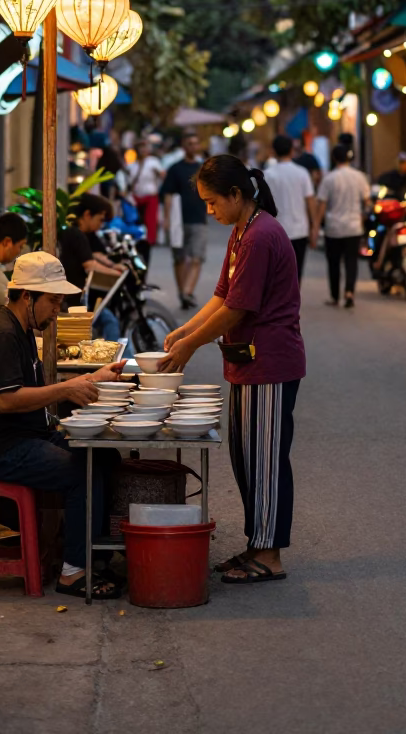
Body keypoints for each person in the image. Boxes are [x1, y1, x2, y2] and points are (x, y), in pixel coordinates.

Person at [160, 155, 305, 584]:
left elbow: (240, 308)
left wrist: (190, 345)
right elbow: (223, 293)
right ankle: (257, 545)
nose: (209, 211)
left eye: (212, 202)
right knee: (246, 459)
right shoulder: (241, 232)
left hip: (270, 363)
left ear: (237, 195)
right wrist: (184, 328)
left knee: (265, 462)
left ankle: (270, 556)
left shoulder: (261, 235)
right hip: (246, 361)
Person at [0, 250, 126, 600]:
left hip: (29, 436)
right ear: (26, 296)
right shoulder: (3, 334)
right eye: (53, 301)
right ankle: (73, 573)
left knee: (106, 457)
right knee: (82, 472)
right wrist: (67, 388)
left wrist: (94, 377)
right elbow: (5, 401)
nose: (57, 310)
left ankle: (92, 551)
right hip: (0, 449)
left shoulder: (22, 330)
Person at [59, 195, 124, 340]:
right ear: (87, 215)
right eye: (100, 219)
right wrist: (116, 273)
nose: (101, 225)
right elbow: (90, 265)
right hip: (74, 302)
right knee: (110, 322)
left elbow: (95, 255)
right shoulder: (77, 234)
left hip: (74, 299)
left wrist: (112, 264)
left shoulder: (80, 234)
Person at [313, 144, 370, 308]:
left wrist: (316, 227)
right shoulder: (360, 177)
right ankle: (350, 292)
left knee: (334, 262)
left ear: (334, 158)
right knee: (352, 260)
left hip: (334, 228)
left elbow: (321, 205)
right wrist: (363, 218)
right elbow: (367, 202)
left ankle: (335, 296)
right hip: (354, 226)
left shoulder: (329, 179)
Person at [159, 130, 206, 310]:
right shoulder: (175, 169)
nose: (193, 147)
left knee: (197, 257)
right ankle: (182, 293)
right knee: (179, 258)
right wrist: (166, 219)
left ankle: (187, 291)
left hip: (199, 218)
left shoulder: (203, 169)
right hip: (179, 220)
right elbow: (168, 195)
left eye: (196, 143)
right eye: (190, 143)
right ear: (184, 147)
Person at [264, 134, 316, 283]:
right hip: (300, 230)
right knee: (296, 271)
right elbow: (310, 201)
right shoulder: (302, 173)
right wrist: (314, 227)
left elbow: (261, 205)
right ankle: (292, 302)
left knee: (276, 271)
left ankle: (278, 302)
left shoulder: (268, 175)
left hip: (275, 231)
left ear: (273, 151)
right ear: (292, 151)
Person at [126, 139, 165, 252]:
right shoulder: (132, 165)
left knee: (150, 220)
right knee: (135, 219)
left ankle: (149, 241)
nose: (143, 150)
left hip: (150, 195)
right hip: (136, 196)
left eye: (145, 147)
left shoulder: (153, 162)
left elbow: (162, 175)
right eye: (140, 148)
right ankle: (136, 238)